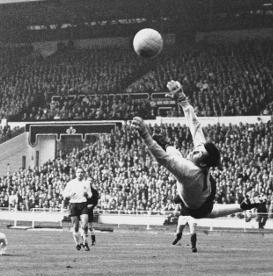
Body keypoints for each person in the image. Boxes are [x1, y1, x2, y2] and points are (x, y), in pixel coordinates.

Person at [131, 80, 261, 219]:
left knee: (177, 158)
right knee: (178, 156)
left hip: (198, 205)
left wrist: (146, 136)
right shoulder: (201, 155)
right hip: (206, 187)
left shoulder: (189, 172)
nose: (195, 150)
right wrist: (183, 100)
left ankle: (240, 206)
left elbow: (163, 158)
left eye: (199, 153)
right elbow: (195, 125)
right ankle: (240, 206)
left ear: (203, 163)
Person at [62, 167, 92, 251]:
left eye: (82, 172)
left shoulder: (86, 183)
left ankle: (85, 243)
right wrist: (70, 195)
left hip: (83, 204)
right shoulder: (71, 183)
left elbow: (90, 194)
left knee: (85, 225)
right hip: (73, 205)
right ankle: (77, 244)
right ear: (76, 173)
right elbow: (64, 194)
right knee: (75, 227)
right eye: (78, 172)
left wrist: (87, 194)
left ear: (84, 174)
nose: (80, 174)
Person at [86, 177, 99, 246]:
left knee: (90, 227)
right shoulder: (83, 190)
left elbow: (95, 202)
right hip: (83, 210)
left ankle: (93, 241)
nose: (90, 182)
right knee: (82, 226)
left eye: (91, 181)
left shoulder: (94, 191)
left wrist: (92, 206)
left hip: (90, 211)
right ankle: (84, 241)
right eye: (88, 181)